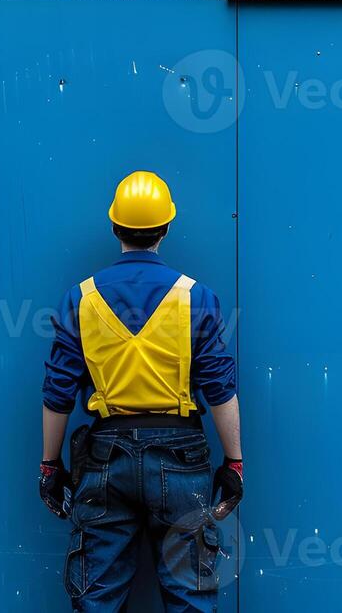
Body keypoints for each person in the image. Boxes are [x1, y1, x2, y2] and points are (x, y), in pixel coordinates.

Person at [37, 171, 243, 612]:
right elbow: (221, 389)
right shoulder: (197, 298)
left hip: (104, 458)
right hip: (182, 459)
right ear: (165, 229)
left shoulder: (82, 300)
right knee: (190, 595)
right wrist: (235, 463)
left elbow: (57, 393)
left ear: (115, 227)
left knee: (97, 599)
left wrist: (50, 465)